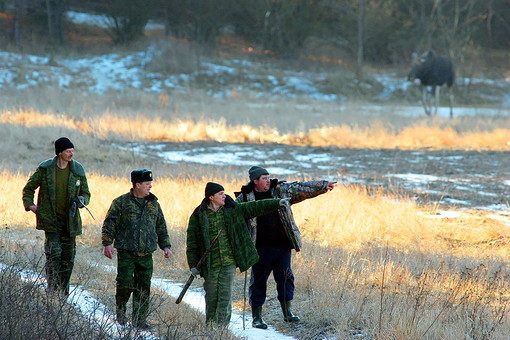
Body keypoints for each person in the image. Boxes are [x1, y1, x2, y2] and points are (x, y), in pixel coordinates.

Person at [235, 166, 335, 329]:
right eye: (264, 178)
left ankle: (288, 313)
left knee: (286, 278)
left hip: (283, 246)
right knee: (258, 281)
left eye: (268, 177)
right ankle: (257, 318)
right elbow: (234, 218)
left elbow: (302, 188)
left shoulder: (280, 190)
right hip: (260, 248)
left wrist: (323, 186)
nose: (268, 180)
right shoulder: (245, 197)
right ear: (255, 181)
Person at [186, 182, 288, 326]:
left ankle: (220, 329)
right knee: (211, 297)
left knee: (224, 297)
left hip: (228, 263)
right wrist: (193, 265)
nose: (224, 196)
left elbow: (256, 206)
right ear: (211, 197)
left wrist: (277, 202)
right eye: (220, 194)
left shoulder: (232, 209)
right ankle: (210, 327)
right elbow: (192, 242)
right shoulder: (198, 215)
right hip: (210, 264)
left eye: (224, 193)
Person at [102, 169, 172, 329]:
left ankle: (139, 320)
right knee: (124, 285)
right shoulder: (120, 202)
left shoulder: (154, 204)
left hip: (146, 254)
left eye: (150, 183)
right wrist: (107, 243)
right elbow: (109, 223)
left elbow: (161, 226)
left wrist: (166, 246)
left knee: (143, 287)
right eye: (147, 184)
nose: (150, 186)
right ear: (137, 184)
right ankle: (120, 315)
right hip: (127, 253)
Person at [22, 137, 91, 296]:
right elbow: (28, 189)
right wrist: (32, 207)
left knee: (68, 259)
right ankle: (52, 291)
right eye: (68, 151)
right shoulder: (46, 169)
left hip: (70, 223)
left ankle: (63, 294)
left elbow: (86, 194)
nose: (71, 154)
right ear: (59, 152)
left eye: (73, 151)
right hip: (51, 222)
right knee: (54, 255)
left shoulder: (77, 169)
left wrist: (81, 201)